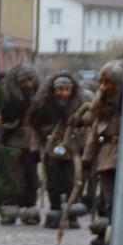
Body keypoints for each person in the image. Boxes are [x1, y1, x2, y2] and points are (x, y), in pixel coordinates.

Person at [28, 72, 90, 229]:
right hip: (51, 151)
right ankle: (55, 211)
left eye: (67, 89)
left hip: (72, 152)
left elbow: (89, 127)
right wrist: (35, 149)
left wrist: (86, 148)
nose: (63, 94)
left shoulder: (80, 108)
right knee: (53, 183)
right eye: (59, 89)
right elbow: (36, 129)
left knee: (73, 183)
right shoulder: (43, 108)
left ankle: (71, 214)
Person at [82, 60, 122, 245]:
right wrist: (87, 158)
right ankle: (115, 235)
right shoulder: (101, 104)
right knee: (111, 201)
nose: (104, 88)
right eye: (102, 83)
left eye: (109, 83)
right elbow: (94, 131)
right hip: (107, 156)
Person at [0, 63, 40, 225]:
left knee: (31, 177)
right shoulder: (8, 99)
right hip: (12, 140)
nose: (28, 84)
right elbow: (0, 120)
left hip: (31, 141)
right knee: (12, 176)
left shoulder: (38, 98)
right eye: (23, 81)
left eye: (31, 80)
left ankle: (29, 209)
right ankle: (8, 208)